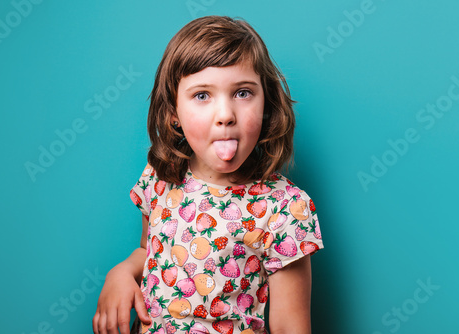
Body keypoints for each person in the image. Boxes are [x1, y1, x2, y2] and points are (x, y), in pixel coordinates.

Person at [93, 15, 323, 334]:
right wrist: (121, 273)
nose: (225, 115)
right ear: (174, 113)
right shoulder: (160, 177)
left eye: (243, 93)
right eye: (202, 95)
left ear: (266, 103)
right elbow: (148, 251)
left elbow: (290, 327)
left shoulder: (286, 208)